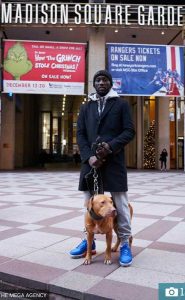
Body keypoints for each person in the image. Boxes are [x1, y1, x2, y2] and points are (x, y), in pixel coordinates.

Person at [69, 70, 135, 267]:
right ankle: (88, 239)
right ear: (94, 84)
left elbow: (129, 131)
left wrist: (110, 147)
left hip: (113, 161)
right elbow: (80, 134)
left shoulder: (121, 104)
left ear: (110, 83)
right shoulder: (86, 107)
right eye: (97, 80)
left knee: (120, 204)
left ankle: (124, 243)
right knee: (90, 203)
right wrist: (89, 157)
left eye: (105, 80)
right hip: (90, 164)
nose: (101, 83)